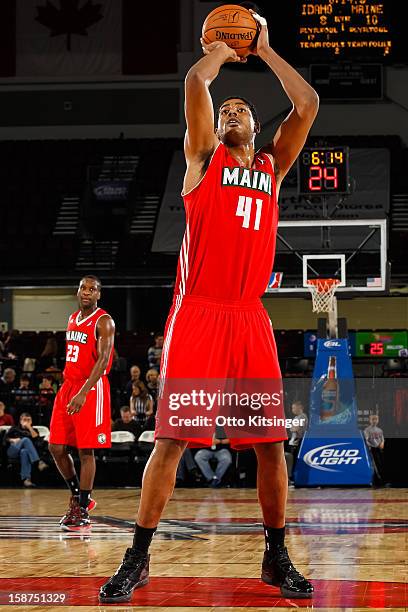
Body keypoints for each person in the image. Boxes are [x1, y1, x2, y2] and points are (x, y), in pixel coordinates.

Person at [100, 8, 317, 603]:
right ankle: (137, 557)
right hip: (198, 313)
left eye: (239, 109)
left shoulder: (272, 166)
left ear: (254, 123)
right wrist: (223, 48)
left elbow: (308, 105)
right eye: (225, 111)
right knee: (170, 441)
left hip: (250, 316)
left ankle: (276, 557)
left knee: (271, 444)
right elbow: (196, 84)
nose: (230, 111)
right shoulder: (202, 162)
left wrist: (265, 50)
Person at [48, 275, 115, 531]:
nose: (86, 292)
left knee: (86, 451)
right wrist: (71, 390)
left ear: (99, 294)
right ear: (78, 292)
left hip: (91, 387)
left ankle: (83, 509)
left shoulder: (104, 321)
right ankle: (77, 496)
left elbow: (103, 359)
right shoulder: (72, 318)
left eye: (92, 289)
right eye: (83, 288)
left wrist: (84, 392)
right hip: (68, 385)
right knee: (56, 446)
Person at [5, 412, 48, 487]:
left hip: (25, 453)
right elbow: (5, 438)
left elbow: (37, 440)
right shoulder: (14, 428)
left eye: (29, 420)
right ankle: (38, 462)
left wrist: (29, 427)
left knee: (24, 452)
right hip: (13, 450)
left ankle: (26, 480)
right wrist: (12, 440)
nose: (26, 422)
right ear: (20, 421)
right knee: (25, 440)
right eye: (24, 420)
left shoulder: (34, 430)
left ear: (31, 421)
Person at [287, 400, 308, 479]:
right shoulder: (296, 417)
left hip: (296, 443)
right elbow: (292, 428)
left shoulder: (302, 416)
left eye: (294, 408)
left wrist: (293, 428)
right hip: (292, 443)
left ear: (300, 407)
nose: (293, 410)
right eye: (292, 408)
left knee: (293, 461)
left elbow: (295, 429)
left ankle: (292, 478)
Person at [364, 414, 387, 485]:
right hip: (372, 449)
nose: (374, 421)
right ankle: (380, 481)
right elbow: (366, 440)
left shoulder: (380, 430)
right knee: (376, 465)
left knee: (380, 464)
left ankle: (380, 480)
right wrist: (370, 446)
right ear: (370, 420)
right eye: (373, 419)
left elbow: (382, 439)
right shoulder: (367, 430)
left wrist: (382, 443)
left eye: (376, 419)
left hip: (379, 449)